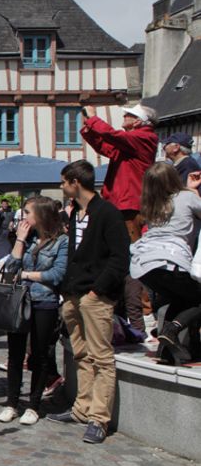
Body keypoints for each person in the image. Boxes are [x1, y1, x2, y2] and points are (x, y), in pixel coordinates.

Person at [47, 160, 130, 444]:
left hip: (95, 297)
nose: (61, 187)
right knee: (79, 354)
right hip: (73, 295)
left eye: (63, 182)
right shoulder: (75, 214)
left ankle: (99, 418)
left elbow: (120, 258)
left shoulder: (107, 213)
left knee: (101, 358)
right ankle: (82, 409)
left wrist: (98, 291)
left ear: (74, 182)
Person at [80, 104, 158, 331]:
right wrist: (89, 127)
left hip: (130, 206)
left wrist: (94, 119)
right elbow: (106, 146)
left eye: (129, 114)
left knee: (132, 259)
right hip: (120, 204)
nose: (124, 116)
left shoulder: (145, 138)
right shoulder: (132, 142)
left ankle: (144, 313)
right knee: (119, 257)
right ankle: (126, 311)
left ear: (140, 121)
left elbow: (111, 136)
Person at [0, 197, 69, 425]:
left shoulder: (61, 242)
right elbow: (11, 269)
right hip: (20, 300)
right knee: (15, 354)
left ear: (41, 215)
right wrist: (19, 239)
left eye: (27, 212)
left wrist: (27, 275)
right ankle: (11, 403)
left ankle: (34, 404)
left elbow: (57, 275)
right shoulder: (26, 240)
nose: (23, 217)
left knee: (40, 354)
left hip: (44, 302)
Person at [131, 164, 201, 364]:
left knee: (179, 300)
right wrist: (191, 191)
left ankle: (165, 349)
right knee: (197, 298)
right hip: (171, 262)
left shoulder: (152, 205)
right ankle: (172, 330)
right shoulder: (186, 198)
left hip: (144, 265)